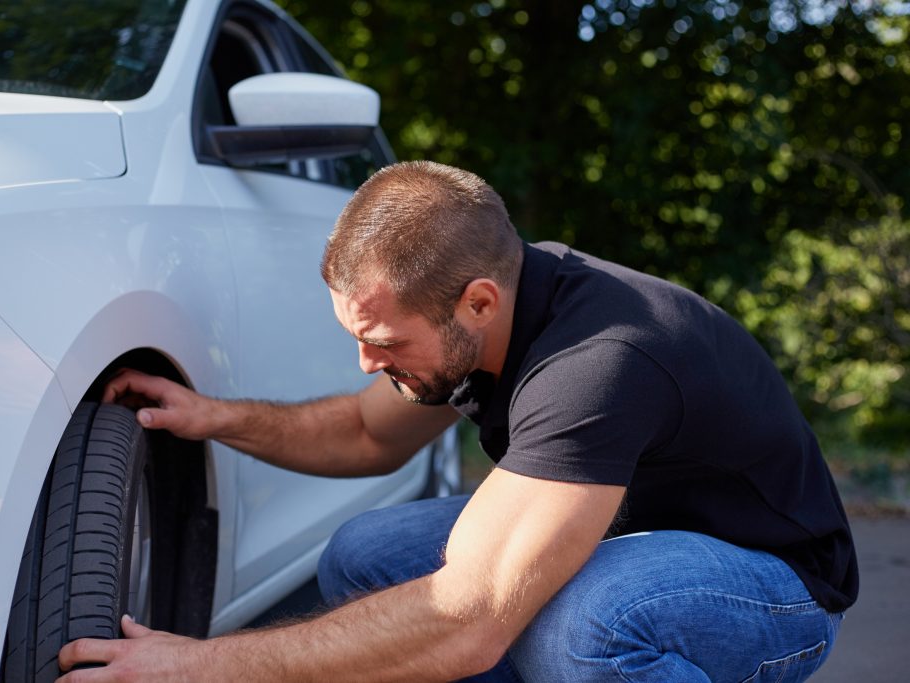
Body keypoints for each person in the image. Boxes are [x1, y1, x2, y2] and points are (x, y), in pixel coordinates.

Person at [58, 161, 857, 682]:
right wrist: (214, 414)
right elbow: (367, 433)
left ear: (477, 301)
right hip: (631, 529)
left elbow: (463, 621)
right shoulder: (489, 313)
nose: (369, 362)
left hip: (771, 584)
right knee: (364, 555)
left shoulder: (600, 360)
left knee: (588, 629)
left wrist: (198, 666)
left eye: (382, 341)